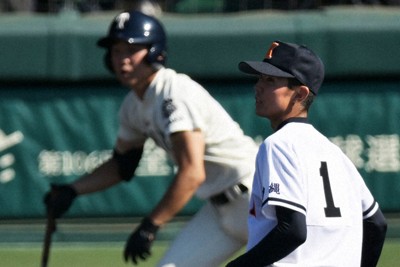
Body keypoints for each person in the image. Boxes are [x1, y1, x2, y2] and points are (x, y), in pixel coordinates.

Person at [44, 10, 258, 267]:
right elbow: (122, 165)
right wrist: (72, 190)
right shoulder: (133, 105)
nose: (122, 60)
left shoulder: (174, 93)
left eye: (131, 49)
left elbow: (192, 173)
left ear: (155, 51)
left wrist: (151, 224)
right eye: (116, 51)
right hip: (219, 212)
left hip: (256, 201)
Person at [226, 40, 387, 267]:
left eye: (270, 80)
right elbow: (376, 223)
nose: (258, 86)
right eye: (260, 78)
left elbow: (292, 231)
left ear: (300, 94)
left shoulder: (278, 144)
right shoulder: (334, 152)